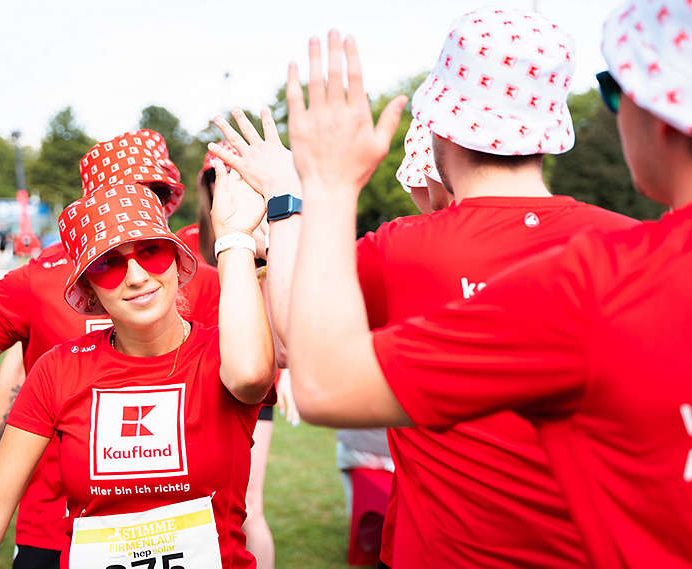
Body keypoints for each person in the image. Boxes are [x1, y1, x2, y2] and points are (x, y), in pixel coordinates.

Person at [279, 2, 692, 568]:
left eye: (614, 90)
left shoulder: (600, 281)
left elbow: (326, 385)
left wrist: (328, 184)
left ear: (659, 109)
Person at [213, 11, 638, 566]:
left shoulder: (405, 249)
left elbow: (297, 346)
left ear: (438, 126)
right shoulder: (631, 246)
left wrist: (288, 195)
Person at [0, 165, 276, 568]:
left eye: (150, 250)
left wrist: (234, 239)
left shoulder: (224, 355)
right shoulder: (58, 370)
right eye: (107, 264)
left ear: (176, 260)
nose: (136, 276)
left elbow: (251, 376)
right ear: (88, 290)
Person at [174, 145, 277, 569]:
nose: (231, 186)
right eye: (221, 176)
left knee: (249, 505)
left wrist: (265, 250)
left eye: (241, 176)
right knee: (187, 502)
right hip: (187, 383)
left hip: (250, 381)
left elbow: (281, 322)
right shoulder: (182, 243)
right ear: (207, 184)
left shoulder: (269, 238)